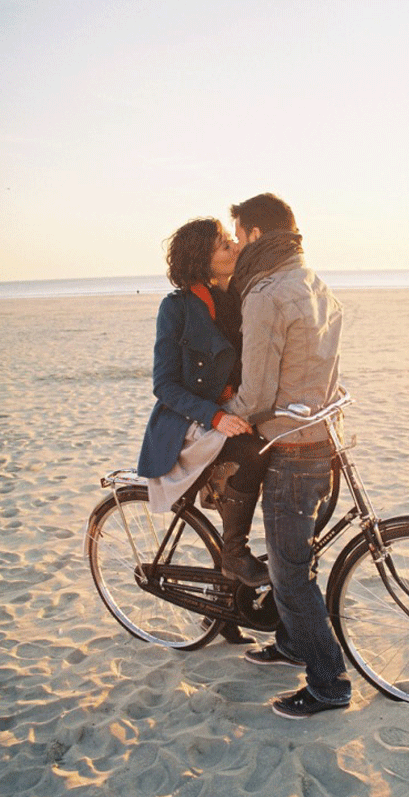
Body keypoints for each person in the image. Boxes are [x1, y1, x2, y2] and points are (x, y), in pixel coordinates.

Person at [224, 193, 352, 718]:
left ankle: (328, 685)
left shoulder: (266, 294)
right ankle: (293, 644)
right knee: (297, 558)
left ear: (255, 234)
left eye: (238, 235)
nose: (234, 245)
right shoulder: (315, 283)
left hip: (292, 448)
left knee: (289, 574)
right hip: (324, 438)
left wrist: (215, 413)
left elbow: (254, 396)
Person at [137, 218, 270, 642]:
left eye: (232, 240)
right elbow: (163, 384)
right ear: (201, 259)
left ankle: (225, 608)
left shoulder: (243, 297)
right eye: (223, 244)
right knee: (250, 453)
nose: (233, 246)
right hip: (190, 423)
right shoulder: (175, 308)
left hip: (232, 412)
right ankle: (233, 555)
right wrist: (215, 416)